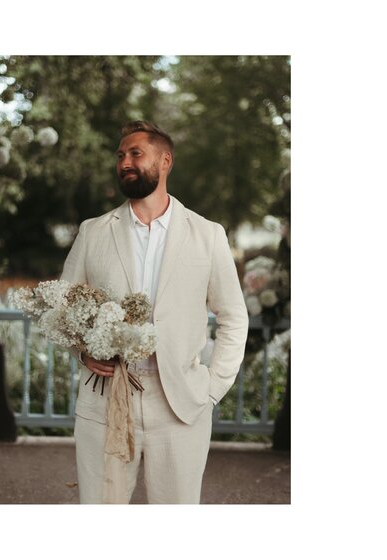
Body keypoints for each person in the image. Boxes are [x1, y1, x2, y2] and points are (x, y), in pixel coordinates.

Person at [61, 121, 248, 504]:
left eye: (135, 153)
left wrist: (212, 390)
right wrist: (82, 351)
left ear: (165, 161)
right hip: (105, 403)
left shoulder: (207, 234)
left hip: (180, 407)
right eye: (120, 156)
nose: (124, 162)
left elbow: (233, 316)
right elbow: (64, 308)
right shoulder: (93, 231)